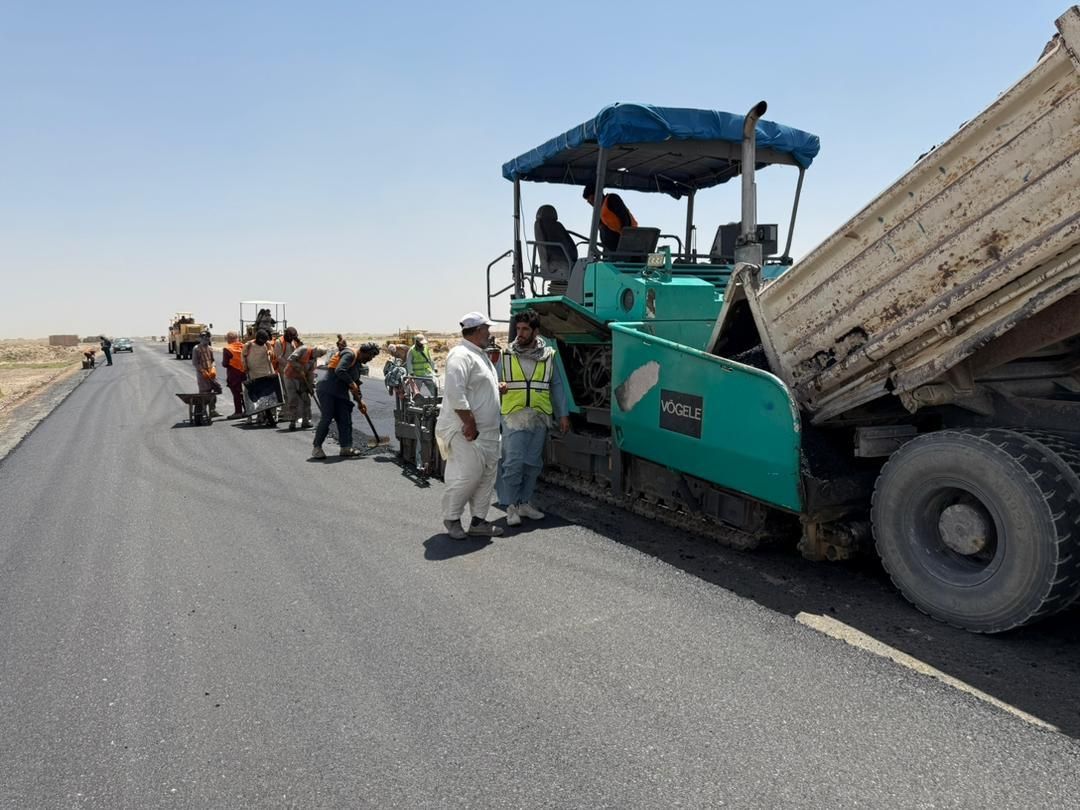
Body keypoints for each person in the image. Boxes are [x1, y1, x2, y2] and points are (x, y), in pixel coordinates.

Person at [496, 309, 570, 526]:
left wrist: (563, 414)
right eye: (518, 328)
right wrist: (498, 387)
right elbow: (493, 381)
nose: (520, 333)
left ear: (535, 331)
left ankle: (524, 503)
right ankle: (511, 506)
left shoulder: (548, 356)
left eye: (525, 329)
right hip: (513, 416)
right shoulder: (506, 355)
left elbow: (557, 385)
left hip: (539, 416)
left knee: (532, 464)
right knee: (513, 463)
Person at [435, 312, 504, 540]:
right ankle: (452, 518)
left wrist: (496, 388)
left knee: (486, 477)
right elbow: (455, 392)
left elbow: (477, 386)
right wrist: (469, 422)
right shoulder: (460, 355)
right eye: (487, 329)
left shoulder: (479, 355)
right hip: (466, 431)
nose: (490, 334)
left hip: (489, 432)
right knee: (468, 475)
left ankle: (478, 522)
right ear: (477, 330)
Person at [312, 341, 380, 459]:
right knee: (327, 417)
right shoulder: (350, 354)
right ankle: (317, 448)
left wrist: (360, 402)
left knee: (345, 418)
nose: (370, 359)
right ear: (364, 352)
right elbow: (340, 370)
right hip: (327, 389)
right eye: (371, 356)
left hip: (341, 392)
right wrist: (351, 382)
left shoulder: (358, 364)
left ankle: (346, 448)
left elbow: (356, 385)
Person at [582, 182, 638, 252]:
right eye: (588, 200)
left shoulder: (612, 199)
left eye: (590, 198)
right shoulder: (598, 212)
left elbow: (625, 219)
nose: (589, 202)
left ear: (597, 194)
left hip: (625, 243)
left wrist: (625, 239)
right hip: (610, 249)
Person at [284, 344, 327, 431]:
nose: (319, 357)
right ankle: (292, 422)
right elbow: (290, 359)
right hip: (290, 377)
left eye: (321, 355)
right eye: (319, 354)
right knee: (293, 399)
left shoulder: (314, 360)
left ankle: (305, 422)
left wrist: (310, 386)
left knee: (306, 400)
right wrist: (299, 367)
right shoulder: (303, 349)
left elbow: (311, 374)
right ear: (315, 350)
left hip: (302, 379)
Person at [242, 328, 278, 426]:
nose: (263, 342)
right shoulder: (248, 345)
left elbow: (272, 354)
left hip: (266, 373)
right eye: (261, 340)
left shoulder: (267, 344)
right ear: (257, 338)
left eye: (264, 340)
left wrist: (270, 352)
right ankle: (256, 416)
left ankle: (266, 417)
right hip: (254, 375)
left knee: (268, 396)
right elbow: (243, 357)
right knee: (256, 396)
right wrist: (245, 368)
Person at [272, 326, 301, 423]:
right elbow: (279, 357)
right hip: (283, 371)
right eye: (291, 336)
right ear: (287, 335)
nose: (292, 338)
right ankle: (286, 413)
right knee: (285, 392)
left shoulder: (294, 342)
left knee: (291, 392)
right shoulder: (279, 342)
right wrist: (289, 366)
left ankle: (287, 412)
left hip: (293, 371)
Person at [192, 330, 221, 418]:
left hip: (211, 374)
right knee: (204, 393)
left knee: (213, 393)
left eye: (208, 338)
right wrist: (202, 371)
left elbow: (213, 360)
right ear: (200, 338)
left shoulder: (210, 348)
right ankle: (203, 411)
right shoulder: (196, 349)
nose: (206, 339)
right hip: (202, 376)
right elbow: (195, 363)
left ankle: (212, 410)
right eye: (204, 338)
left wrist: (213, 367)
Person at [221, 331, 247, 419]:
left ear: (229, 339)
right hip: (244, 373)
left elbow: (225, 364)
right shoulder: (243, 346)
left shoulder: (227, 349)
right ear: (237, 338)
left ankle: (238, 412)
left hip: (233, 374)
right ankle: (247, 410)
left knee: (236, 394)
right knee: (244, 393)